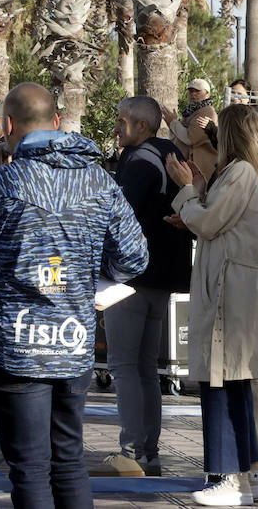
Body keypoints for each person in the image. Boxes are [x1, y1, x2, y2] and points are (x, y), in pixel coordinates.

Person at [0, 82, 148, 509]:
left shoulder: (0, 181)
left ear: (8, 126)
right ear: (58, 123)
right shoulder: (100, 182)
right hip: (72, 338)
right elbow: (134, 257)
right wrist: (89, 272)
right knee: (69, 460)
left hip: (14, 344)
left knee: (29, 467)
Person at [166, 104, 258, 506]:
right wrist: (198, 193)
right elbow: (220, 219)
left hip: (230, 290)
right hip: (248, 288)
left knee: (219, 383)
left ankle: (230, 477)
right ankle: (252, 475)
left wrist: (184, 191)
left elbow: (211, 222)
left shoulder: (241, 172)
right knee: (237, 384)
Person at [90, 96, 193, 478]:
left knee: (126, 366)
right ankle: (147, 451)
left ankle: (132, 451)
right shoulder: (169, 153)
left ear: (142, 127)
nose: (117, 127)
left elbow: (117, 217)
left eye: (122, 121)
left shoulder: (137, 160)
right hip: (162, 280)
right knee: (146, 368)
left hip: (131, 281)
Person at [167, 78, 220, 181]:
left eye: (197, 91)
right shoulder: (190, 111)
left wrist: (173, 123)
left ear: (207, 94)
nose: (193, 94)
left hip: (201, 170)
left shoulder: (206, 111)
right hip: (189, 169)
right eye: (191, 91)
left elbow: (190, 138)